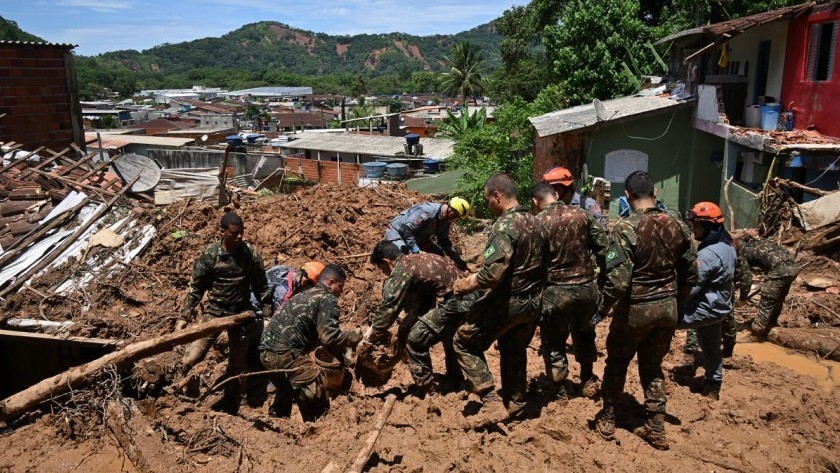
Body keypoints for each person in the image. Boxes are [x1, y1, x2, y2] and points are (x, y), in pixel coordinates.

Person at [593, 171, 697, 450]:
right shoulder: (679, 225)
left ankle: (608, 416)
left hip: (636, 309)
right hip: (667, 308)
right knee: (652, 367)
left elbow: (617, 279)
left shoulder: (625, 228)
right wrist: (678, 302)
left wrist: (602, 309)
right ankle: (655, 426)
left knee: (617, 362)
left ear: (627, 195)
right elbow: (690, 273)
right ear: (655, 193)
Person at [451, 173, 545, 424]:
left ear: (497, 196)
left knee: (463, 341)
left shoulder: (504, 226)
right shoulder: (536, 223)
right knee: (513, 347)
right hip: (534, 302)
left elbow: (493, 274)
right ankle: (516, 403)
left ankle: (491, 401)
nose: (488, 204)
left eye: (487, 199)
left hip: (509, 302)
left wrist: (465, 284)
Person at [180, 212, 272, 414]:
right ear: (222, 232)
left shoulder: (251, 254)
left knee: (237, 366)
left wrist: (267, 312)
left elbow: (261, 285)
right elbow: (197, 287)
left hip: (241, 314)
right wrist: (184, 315)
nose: (239, 237)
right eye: (234, 233)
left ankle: (232, 408)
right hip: (214, 312)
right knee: (191, 357)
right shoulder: (210, 255)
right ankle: (184, 394)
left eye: (242, 233)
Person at [531, 181, 610, 402]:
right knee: (585, 333)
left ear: (536, 201)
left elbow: (532, 263)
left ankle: (559, 388)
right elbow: (605, 249)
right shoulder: (582, 215)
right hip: (586, 289)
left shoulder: (537, 223)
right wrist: (603, 282)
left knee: (553, 340)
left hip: (556, 291)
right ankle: (587, 378)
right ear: (556, 194)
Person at [258, 264, 362, 421]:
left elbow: (318, 336)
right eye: (340, 287)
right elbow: (329, 337)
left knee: (286, 390)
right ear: (331, 282)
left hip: (265, 354)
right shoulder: (327, 299)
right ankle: (320, 428)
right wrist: (356, 335)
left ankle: (277, 424)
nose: (341, 292)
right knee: (315, 390)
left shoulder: (304, 294)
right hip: (285, 353)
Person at [367, 240, 470, 393]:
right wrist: (406, 324)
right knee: (448, 336)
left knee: (414, 340)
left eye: (382, 269)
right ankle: (456, 381)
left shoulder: (402, 269)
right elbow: (426, 299)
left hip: (456, 301)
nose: (384, 273)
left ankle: (426, 389)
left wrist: (370, 336)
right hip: (467, 297)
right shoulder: (416, 259)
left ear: (386, 262)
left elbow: (389, 308)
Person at [679, 202, 737, 401]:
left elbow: (691, 289)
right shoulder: (728, 246)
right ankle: (713, 387)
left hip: (704, 309)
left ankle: (652, 370)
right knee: (712, 349)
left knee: (662, 321)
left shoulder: (707, 255)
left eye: (696, 225)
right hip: (720, 308)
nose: (693, 228)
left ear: (709, 227)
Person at [735, 234, 799, 340]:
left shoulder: (744, 253)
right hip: (793, 268)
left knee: (767, 299)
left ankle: (757, 331)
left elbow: (746, 279)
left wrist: (743, 298)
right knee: (778, 298)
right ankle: (771, 323)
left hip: (780, 270)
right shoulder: (758, 243)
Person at [384, 197, 471, 270]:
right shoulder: (427, 211)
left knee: (439, 255)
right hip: (397, 232)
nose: (454, 220)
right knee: (405, 260)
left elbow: (444, 242)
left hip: (418, 236)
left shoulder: (446, 220)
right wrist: (416, 250)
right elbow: (405, 230)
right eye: (456, 217)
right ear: (452, 212)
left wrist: (457, 259)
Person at [251, 261, 326, 315]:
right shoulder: (284, 294)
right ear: (305, 282)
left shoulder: (285, 269)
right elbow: (278, 319)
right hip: (250, 308)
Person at [543, 167, 607, 226]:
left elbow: (602, 233)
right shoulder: (550, 207)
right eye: (548, 188)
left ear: (567, 187)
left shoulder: (588, 205)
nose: (551, 192)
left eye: (554, 188)